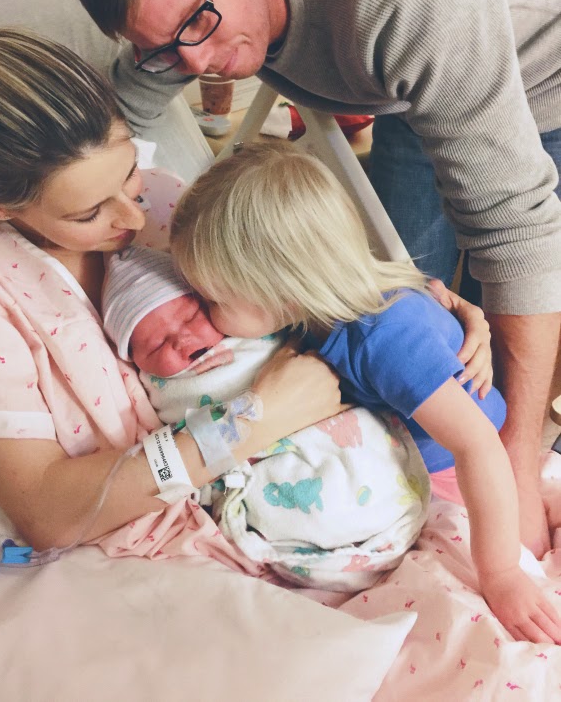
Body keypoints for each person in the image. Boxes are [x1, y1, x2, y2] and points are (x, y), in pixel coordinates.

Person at [62, 0, 561, 557]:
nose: (196, 66)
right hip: (407, 75)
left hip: (540, 74)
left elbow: (517, 229)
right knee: (413, 295)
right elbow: (111, 118)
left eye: (199, 24)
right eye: (163, 49)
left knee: (496, 339)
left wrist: (514, 467)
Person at [0, 27, 346, 564]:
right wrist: (252, 421)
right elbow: (48, 511)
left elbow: (285, 291)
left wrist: (404, 315)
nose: (134, 218)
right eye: (88, 213)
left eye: (130, 171)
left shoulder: (162, 200)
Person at [167, 141, 561, 644]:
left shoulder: (382, 336)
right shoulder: (330, 307)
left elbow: (477, 445)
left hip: (460, 472)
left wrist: (502, 574)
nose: (201, 313)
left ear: (280, 289)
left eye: (211, 298)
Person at [101, 243, 431, 592]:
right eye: (157, 344)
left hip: (327, 423)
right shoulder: (156, 389)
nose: (183, 338)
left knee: (368, 463)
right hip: (259, 462)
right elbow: (176, 445)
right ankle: (324, 547)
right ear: (135, 361)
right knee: (299, 509)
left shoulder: (250, 325)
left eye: (191, 316)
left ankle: (382, 515)